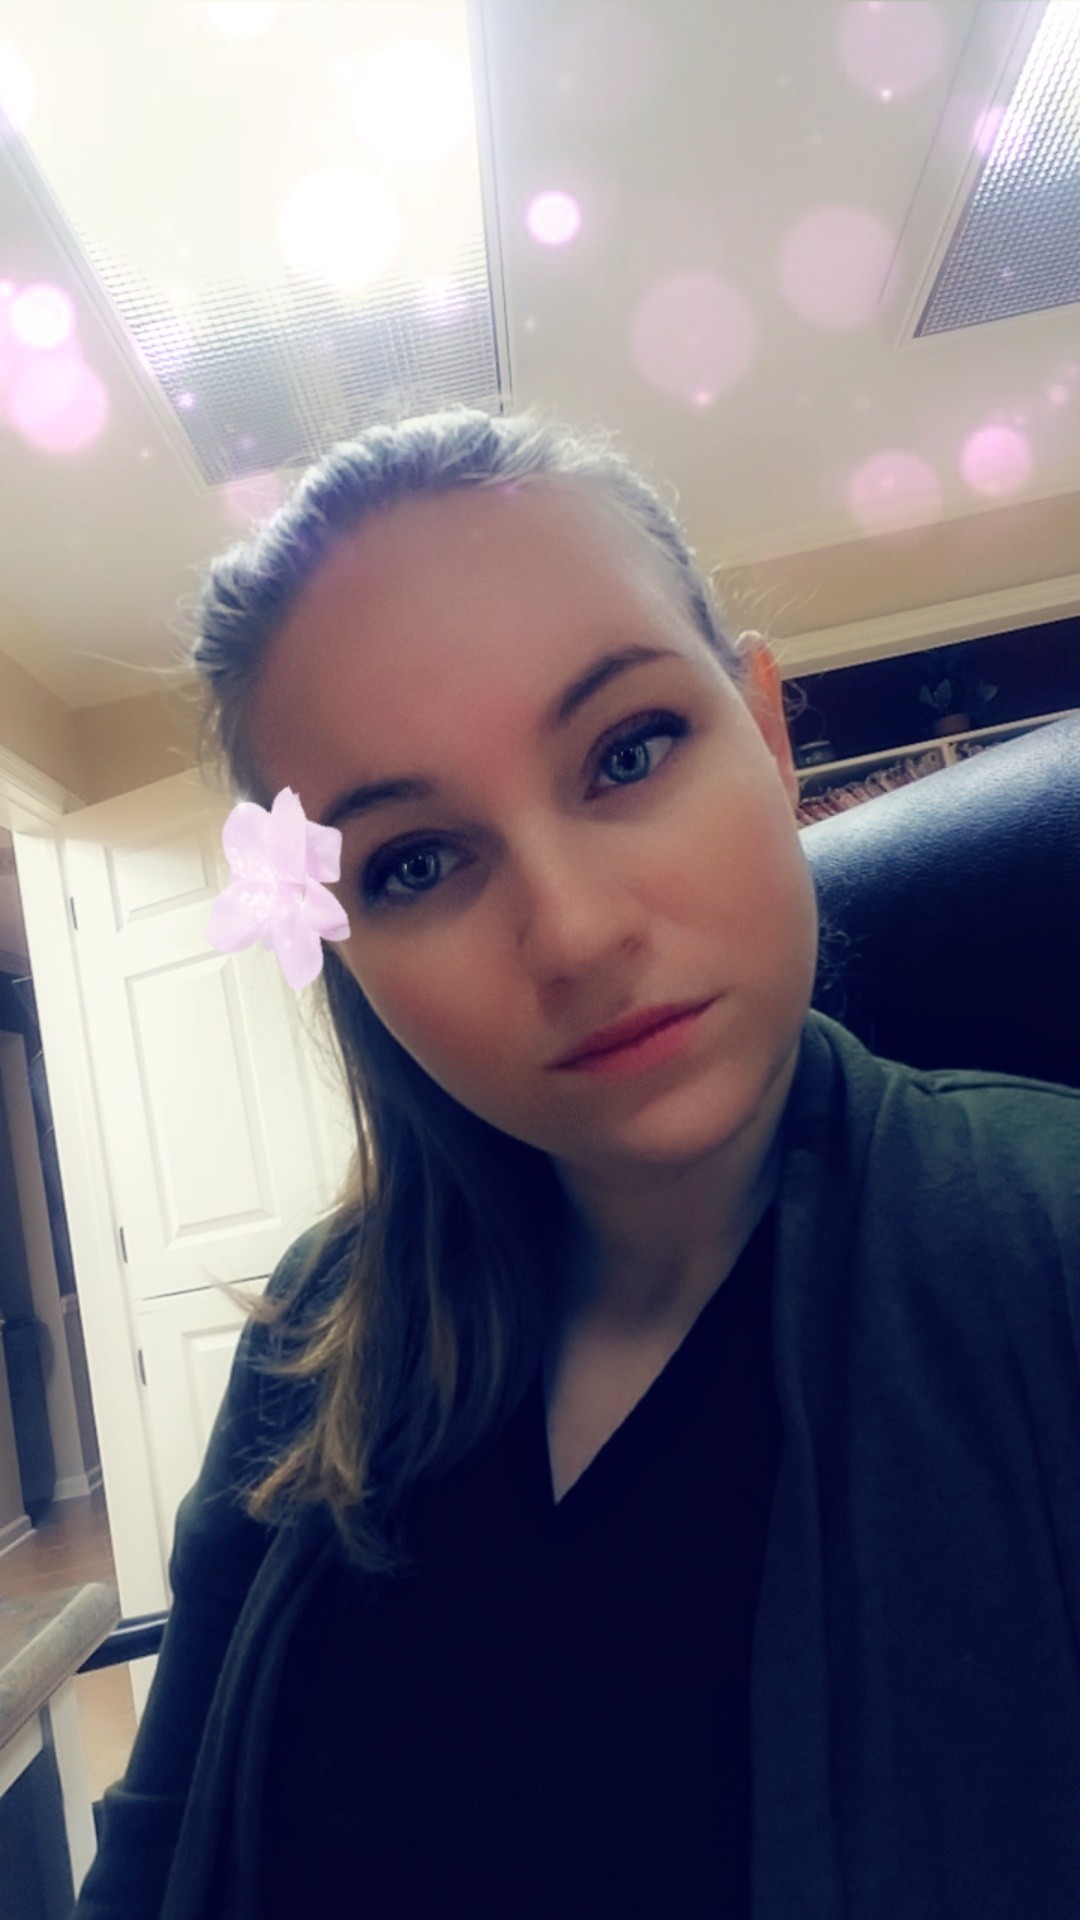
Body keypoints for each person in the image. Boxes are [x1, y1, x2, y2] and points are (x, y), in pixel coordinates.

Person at [74, 410, 1080, 1920]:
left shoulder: (1050, 1251)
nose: (576, 933)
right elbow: (155, 1867)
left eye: (628, 752)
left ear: (768, 730)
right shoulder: (313, 1337)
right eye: (415, 861)